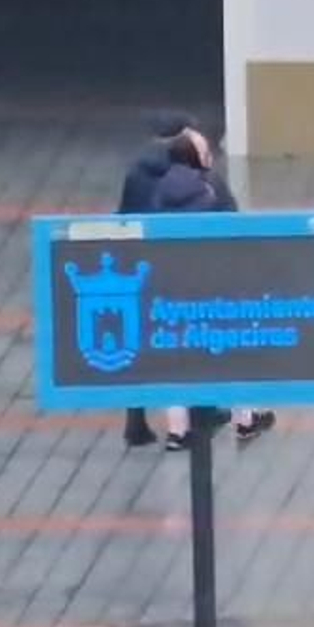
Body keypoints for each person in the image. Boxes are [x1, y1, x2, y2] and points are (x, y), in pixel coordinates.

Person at [149, 131, 276, 452]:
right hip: (214, 280)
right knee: (229, 350)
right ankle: (245, 418)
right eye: (205, 150)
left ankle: (178, 432)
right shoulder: (212, 186)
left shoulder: (160, 190)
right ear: (195, 157)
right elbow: (233, 228)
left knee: (175, 356)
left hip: (172, 282)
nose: (209, 155)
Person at [116, 111, 237, 448]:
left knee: (144, 344)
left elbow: (124, 216)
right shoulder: (203, 182)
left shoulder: (138, 173)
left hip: (145, 264)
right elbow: (230, 221)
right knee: (194, 337)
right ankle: (200, 411)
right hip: (194, 272)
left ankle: (137, 420)